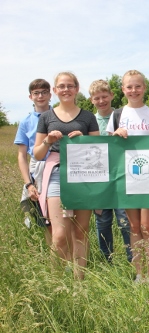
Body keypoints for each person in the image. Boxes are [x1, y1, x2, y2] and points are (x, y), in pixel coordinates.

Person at [33, 72, 100, 279]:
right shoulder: (47, 117)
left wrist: (83, 141)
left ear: (77, 88)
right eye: (61, 86)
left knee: (81, 231)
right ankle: (57, 282)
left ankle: (79, 281)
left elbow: (99, 152)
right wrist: (48, 141)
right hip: (55, 174)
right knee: (59, 235)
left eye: (70, 86)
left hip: (84, 175)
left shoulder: (88, 117)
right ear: (55, 90)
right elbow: (37, 153)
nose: (66, 90)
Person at [106, 69, 149, 283]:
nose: (134, 90)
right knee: (133, 227)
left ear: (144, 88)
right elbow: (109, 151)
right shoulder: (116, 115)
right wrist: (116, 135)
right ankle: (140, 273)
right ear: (123, 89)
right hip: (125, 177)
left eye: (138, 86)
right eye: (129, 87)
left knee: (147, 227)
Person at [89, 79, 132, 263]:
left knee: (125, 220)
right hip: (99, 178)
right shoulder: (90, 120)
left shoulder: (123, 116)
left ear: (112, 95)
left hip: (121, 175)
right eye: (96, 98)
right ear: (91, 100)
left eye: (104, 96)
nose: (101, 101)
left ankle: (133, 258)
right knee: (103, 220)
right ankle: (108, 260)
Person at [14, 79, 52, 244]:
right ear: (31, 97)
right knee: (45, 220)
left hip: (59, 168)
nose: (41, 96)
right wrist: (29, 184)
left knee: (66, 218)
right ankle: (56, 262)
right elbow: (22, 155)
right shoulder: (26, 122)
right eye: (36, 93)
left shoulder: (59, 115)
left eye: (44, 92)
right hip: (38, 171)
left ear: (50, 95)